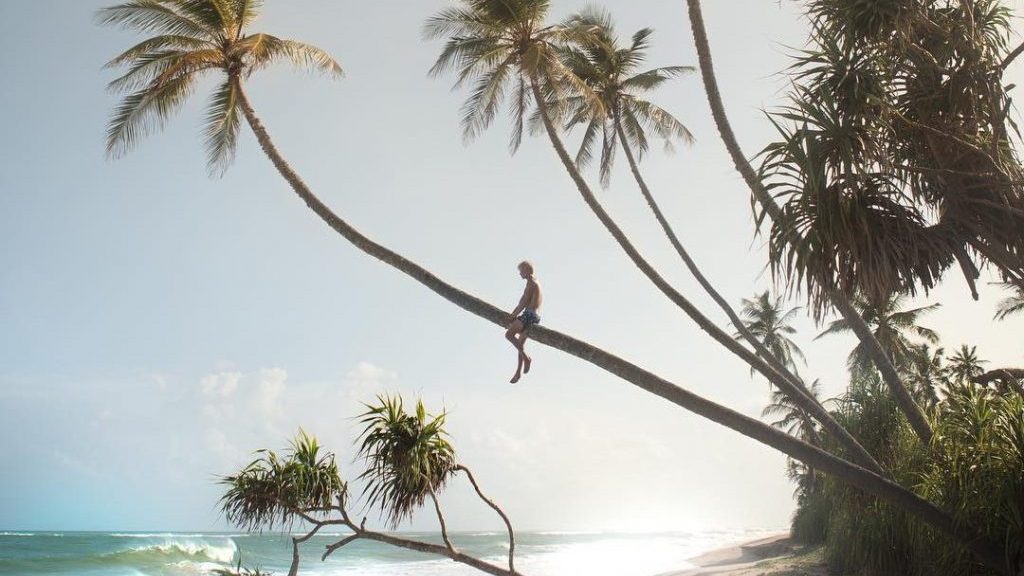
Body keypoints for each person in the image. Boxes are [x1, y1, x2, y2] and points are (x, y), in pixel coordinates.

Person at [506, 261, 542, 383]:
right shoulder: (532, 282)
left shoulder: (531, 283)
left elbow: (523, 303)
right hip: (534, 315)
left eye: (521, 270)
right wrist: (513, 314)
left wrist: (514, 315)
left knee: (509, 335)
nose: (520, 273)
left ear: (527, 270)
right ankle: (518, 373)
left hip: (529, 315)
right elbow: (521, 302)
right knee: (520, 344)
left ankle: (527, 359)